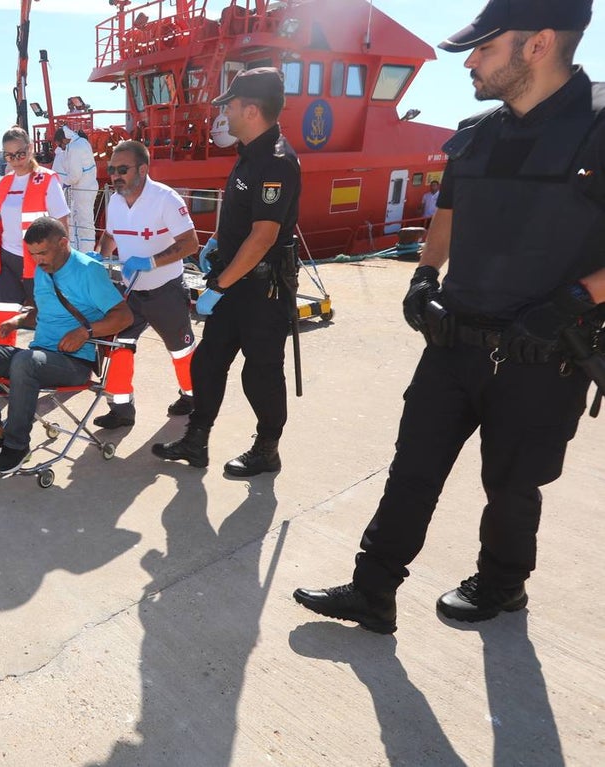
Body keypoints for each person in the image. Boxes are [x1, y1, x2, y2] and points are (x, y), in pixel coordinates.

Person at [295, 0, 605, 634]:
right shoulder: (478, 133)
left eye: (486, 48)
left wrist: (578, 300)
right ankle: (372, 590)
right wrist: (422, 276)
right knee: (412, 467)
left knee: (513, 486)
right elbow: (449, 214)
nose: (470, 61)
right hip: (455, 340)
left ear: (539, 44)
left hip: (541, 355)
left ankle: (502, 584)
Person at [152, 67, 300, 476]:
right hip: (235, 281)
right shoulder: (249, 156)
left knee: (261, 374)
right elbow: (238, 220)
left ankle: (267, 450)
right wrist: (218, 247)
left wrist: (218, 284)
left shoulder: (276, 163)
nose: (225, 114)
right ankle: (196, 441)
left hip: (262, 291)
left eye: (230, 106)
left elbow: (263, 237)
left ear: (251, 109)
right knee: (207, 362)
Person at [0, 216, 133, 474]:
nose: (38, 260)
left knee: (25, 362)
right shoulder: (43, 272)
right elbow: (43, 313)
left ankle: (17, 446)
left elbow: (124, 316)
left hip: (74, 362)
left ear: (63, 243)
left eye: (43, 253)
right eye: (32, 254)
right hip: (40, 357)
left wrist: (86, 332)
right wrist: (17, 321)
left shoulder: (87, 271)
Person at [93, 140, 199, 428]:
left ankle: (192, 397)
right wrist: (99, 257)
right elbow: (110, 235)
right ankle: (121, 409)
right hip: (131, 291)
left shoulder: (166, 199)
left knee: (180, 348)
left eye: (122, 169)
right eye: (112, 169)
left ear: (142, 168)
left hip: (165, 289)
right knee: (119, 344)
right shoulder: (115, 200)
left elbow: (190, 244)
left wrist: (150, 262)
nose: (115, 175)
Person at [0, 126, 70, 346]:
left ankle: (56, 367)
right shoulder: (5, 182)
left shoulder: (47, 180)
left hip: (38, 263)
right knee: (0, 319)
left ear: (31, 149)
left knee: (47, 318)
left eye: (20, 154)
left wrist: (62, 260)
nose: (15, 160)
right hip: (6, 261)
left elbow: (62, 222)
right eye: (9, 155)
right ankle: (1, 368)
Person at [55, 125, 98, 253]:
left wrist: (64, 184)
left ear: (64, 140)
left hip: (81, 190)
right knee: (86, 222)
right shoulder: (83, 142)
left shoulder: (73, 148)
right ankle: (87, 251)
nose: (61, 148)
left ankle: (84, 253)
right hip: (90, 187)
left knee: (81, 223)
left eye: (60, 145)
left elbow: (75, 175)